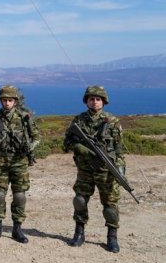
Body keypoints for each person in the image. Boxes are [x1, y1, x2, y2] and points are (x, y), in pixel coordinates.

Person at [63, 86, 125, 253]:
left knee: (110, 205)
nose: (94, 102)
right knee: (80, 200)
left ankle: (112, 237)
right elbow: (67, 142)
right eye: (91, 99)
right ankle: (79, 233)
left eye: (98, 99)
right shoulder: (79, 121)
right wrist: (79, 147)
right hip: (85, 169)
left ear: (103, 101)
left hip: (106, 170)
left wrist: (120, 169)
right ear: (86, 101)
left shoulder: (112, 121)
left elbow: (119, 148)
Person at [0, 85, 40, 244]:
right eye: (4, 100)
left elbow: (36, 137)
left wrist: (31, 147)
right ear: (0, 100)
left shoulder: (25, 118)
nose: (7, 103)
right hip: (0, 163)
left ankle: (17, 228)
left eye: (10, 100)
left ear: (15, 101)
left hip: (19, 162)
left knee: (19, 195)